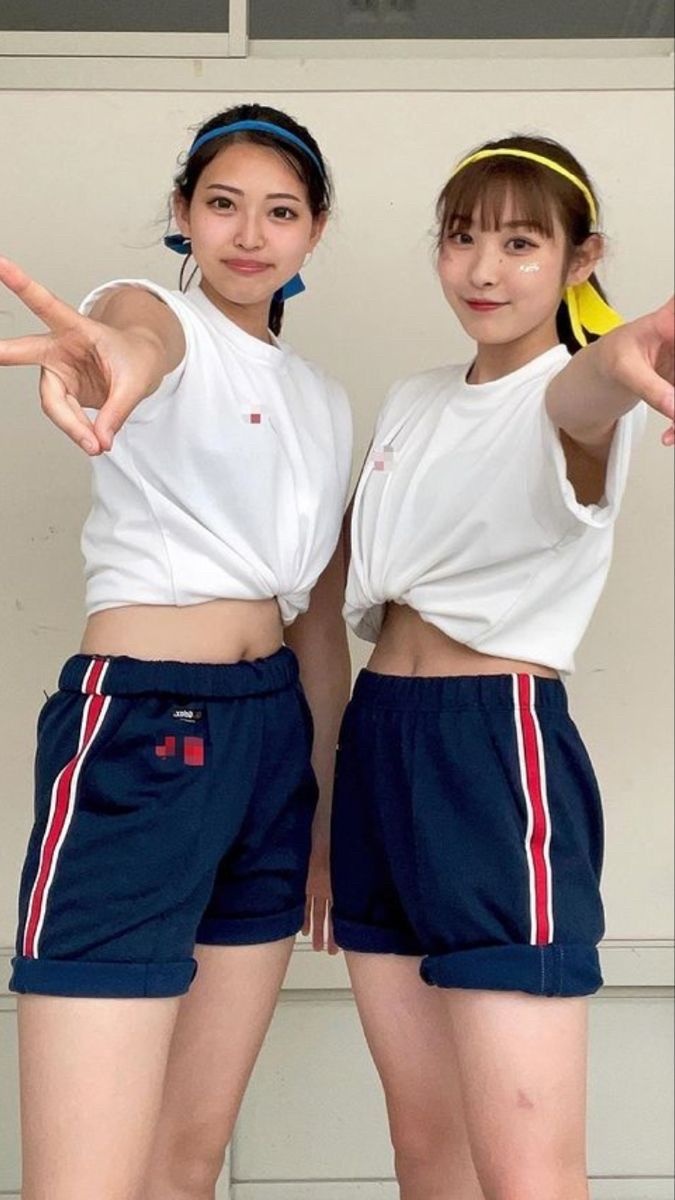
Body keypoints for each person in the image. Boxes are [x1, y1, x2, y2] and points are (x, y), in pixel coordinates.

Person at [0, 102, 352, 1200]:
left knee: (183, 1163)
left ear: (315, 230)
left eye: (280, 212)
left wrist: (325, 813)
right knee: (87, 1181)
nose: (250, 234)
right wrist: (112, 356)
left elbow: (318, 622)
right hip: (146, 728)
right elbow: (132, 338)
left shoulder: (324, 401)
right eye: (223, 204)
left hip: (273, 744)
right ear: (183, 214)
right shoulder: (157, 315)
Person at [331, 134, 674, 1200]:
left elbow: (585, 391)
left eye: (522, 243)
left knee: (526, 1171)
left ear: (582, 257)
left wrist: (626, 353)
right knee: (425, 1151)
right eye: (461, 239)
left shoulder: (573, 392)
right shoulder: (413, 398)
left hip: (492, 749)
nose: (483, 270)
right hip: (377, 742)